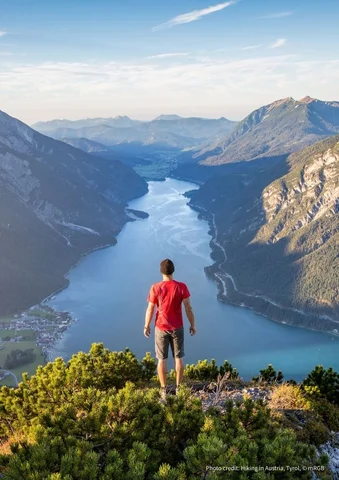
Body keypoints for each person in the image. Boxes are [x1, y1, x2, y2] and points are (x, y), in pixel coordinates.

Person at [144, 258, 196, 398]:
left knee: (162, 359)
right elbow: (188, 307)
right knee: (178, 358)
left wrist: (146, 325)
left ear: (161, 271)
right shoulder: (181, 287)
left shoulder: (155, 287)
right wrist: (193, 324)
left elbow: (150, 309)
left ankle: (163, 390)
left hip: (160, 327)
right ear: (173, 270)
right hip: (177, 327)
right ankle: (179, 388)